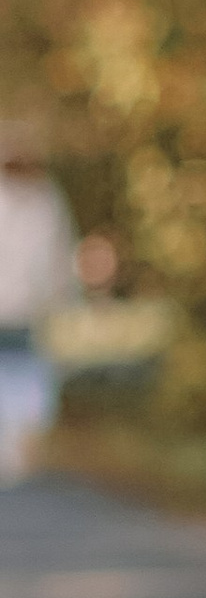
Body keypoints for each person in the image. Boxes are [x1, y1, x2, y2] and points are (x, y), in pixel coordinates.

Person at [0, 124, 80, 485]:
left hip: (27, 308)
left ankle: (17, 446)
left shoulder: (47, 200)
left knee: (26, 375)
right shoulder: (45, 200)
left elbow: (59, 255)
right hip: (19, 304)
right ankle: (12, 446)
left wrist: (64, 297)